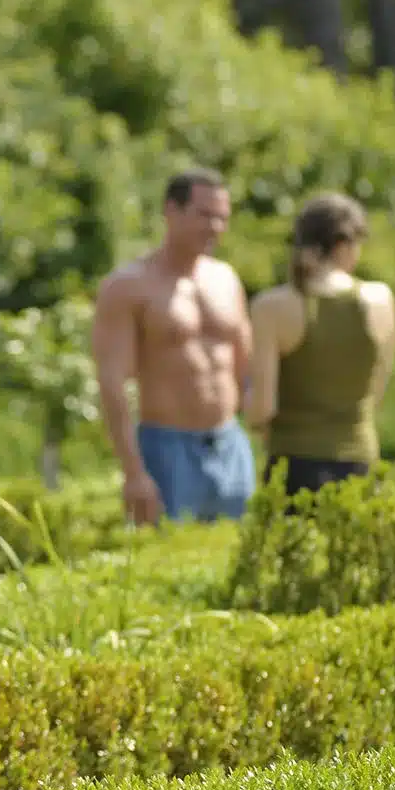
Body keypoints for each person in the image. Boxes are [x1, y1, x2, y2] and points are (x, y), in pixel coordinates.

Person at [90, 168, 255, 526]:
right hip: (166, 449)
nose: (215, 227)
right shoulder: (128, 286)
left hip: (229, 443)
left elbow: (247, 369)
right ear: (171, 211)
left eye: (222, 217)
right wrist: (133, 473)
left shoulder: (226, 279)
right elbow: (112, 382)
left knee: (240, 549)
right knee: (167, 548)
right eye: (204, 215)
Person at [243, 192, 395, 494]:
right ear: (344, 245)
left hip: (294, 465)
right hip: (361, 460)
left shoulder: (273, 306)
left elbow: (262, 409)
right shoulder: (380, 299)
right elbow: (375, 392)